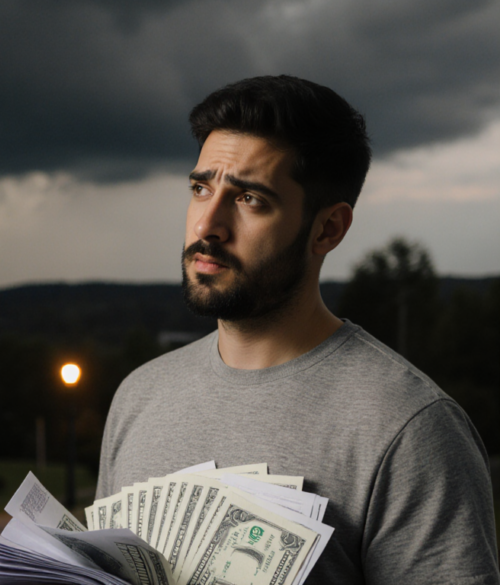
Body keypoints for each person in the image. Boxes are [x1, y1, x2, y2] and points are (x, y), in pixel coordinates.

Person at [95, 75, 500, 584]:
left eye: (249, 200)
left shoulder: (409, 426)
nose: (206, 226)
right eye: (201, 188)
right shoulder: (139, 395)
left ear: (327, 228)